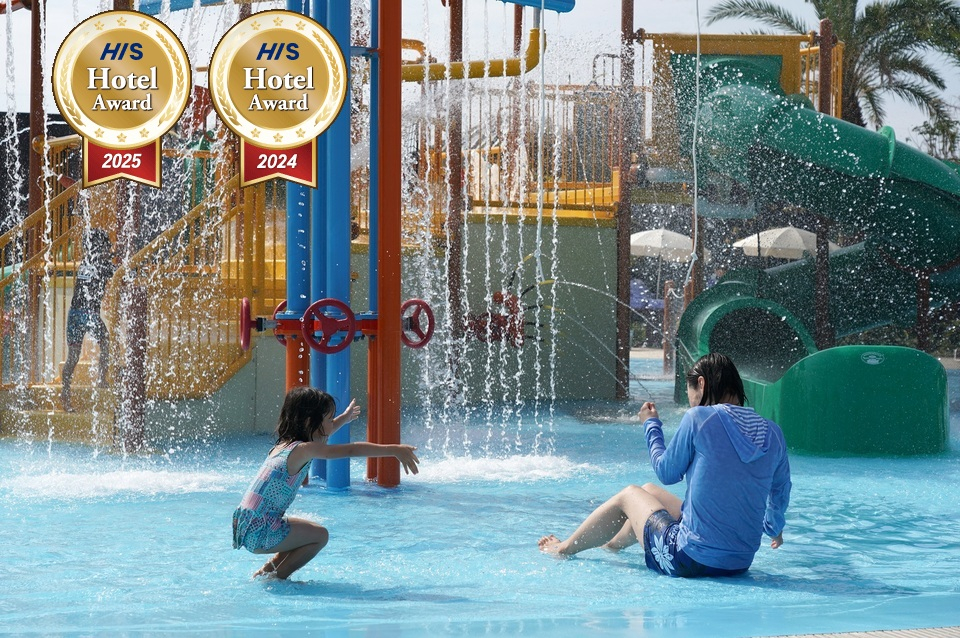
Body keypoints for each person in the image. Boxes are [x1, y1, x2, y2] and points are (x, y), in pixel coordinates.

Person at [539, 352, 791, 578]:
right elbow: (780, 491)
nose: (691, 403)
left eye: (690, 395)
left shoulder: (699, 418)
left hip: (688, 560)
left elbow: (667, 472)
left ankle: (563, 548)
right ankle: (611, 545)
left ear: (701, 384)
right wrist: (773, 529)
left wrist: (651, 425)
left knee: (629, 495)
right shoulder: (773, 433)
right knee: (649, 492)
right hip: (739, 563)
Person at [233, 386, 421, 580]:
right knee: (320, 536)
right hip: (261, 531)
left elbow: (323, 433)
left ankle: (265, 571)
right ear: (310, 422)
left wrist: (344, 418)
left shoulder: (284, 445)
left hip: (247, 523)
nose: (332, 423)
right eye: (330, 419)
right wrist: (393, 449)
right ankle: (277, 577)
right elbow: (350, 450)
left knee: (308, 530)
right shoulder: (304, 450)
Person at [61, 228, 115, 412]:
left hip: (74, 314)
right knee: (105, 342)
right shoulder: (104, 265)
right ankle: (101, 379)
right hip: (89, 314)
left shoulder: (85, 262)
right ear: (101, 246)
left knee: (73, 356)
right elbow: (124, 274)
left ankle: (65, 395)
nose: (109, 248)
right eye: (106, 245)